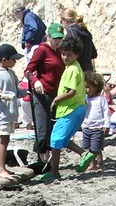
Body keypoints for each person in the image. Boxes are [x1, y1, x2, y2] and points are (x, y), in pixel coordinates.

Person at [38, 36, 91, 182]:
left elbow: (72, 91)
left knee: (55, 140)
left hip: (71, 109)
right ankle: (83, 154)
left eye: (70, 54)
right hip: (73, 108)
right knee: (62, 138)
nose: (65, 57)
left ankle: (55, 171)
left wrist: (56, 99)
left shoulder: (73, 69)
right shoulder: (72, 67)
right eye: (63, 53)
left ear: (77, 55)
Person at [26, 22, 66, 161]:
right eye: (55, 38)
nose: (57, 41)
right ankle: (41, 158)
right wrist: (36, 81)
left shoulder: (61, 51)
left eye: (60, 38)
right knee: (42, 127)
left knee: (52, 127)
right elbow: (28, 70)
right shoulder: (42, 50)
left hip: (57, 94)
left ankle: (47, 159)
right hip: (42, 94)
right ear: (48, 36)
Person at [0, 44, 23, 181]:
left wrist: (26, 92)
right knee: (3, 139)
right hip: (1, 113)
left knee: (7, 139)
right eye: (13, 59)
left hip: (10, 112)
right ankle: (1, 169)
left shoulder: (11, 73)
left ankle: (3, 167)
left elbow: (16, 92)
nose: (15, 61)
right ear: (4, 59)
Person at [80, 71, 109, 171]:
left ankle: (101, 164)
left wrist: (106, 124)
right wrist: (82, 123)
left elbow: (106, 112)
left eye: (88, 87)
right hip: (87, 127)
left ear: (96, 87)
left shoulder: (101, 99)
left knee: (96, 149)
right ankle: (92, 165)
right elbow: (84, 113)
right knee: (88, 148)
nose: (86, 90)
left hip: (98, 128)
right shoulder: (85, 100)